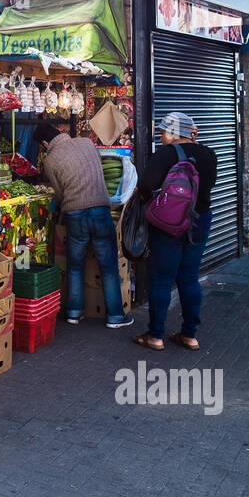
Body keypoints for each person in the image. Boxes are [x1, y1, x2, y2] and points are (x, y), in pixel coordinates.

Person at [34, 121, 133, 329]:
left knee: (75, 266)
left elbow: (59, 194)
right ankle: (115, 316)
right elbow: (97, 168)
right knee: (108, 265)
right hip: (100, 209)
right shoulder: (87, 143)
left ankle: (74, 312)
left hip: (75, 213)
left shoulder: (51, 160)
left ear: (44, 143)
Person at [133, 112, 219, 351]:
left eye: (162, 132)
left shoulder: (166, 154)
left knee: (161, 279)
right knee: (189, 277)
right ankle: (190, 335)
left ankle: (155, 336)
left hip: (169, 224)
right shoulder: (208, 154)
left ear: (171, 132)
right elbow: (209, 185)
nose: (161, 136)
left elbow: (147, 185)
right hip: (200, 220)